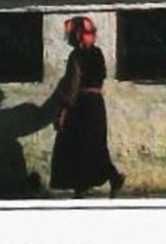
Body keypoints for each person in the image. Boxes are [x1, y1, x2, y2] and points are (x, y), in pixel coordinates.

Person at [50, 15, 126, 198]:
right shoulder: (98, 54)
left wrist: (62, 111)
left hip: (81, 106)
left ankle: (80, 188)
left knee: (77, 145)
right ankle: (112, 176)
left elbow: (73, 84)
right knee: (96, 146)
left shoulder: (76, 56)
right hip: (97, 105)